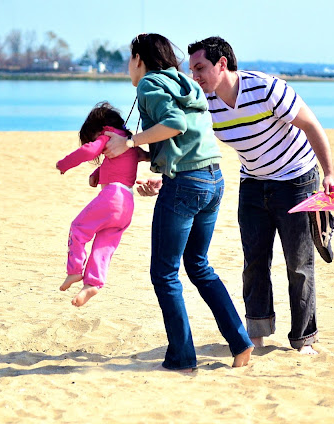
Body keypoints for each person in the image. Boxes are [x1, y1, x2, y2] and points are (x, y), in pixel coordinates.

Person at [104, 33, 254, 371]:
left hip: (187, 184)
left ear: (139, 59)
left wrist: (129, 145)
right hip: (212, 179)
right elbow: (185, 136)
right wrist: (147, 157)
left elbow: (174, 124)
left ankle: (183, 357)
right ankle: (241, 342)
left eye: (130, 59)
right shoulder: (185, 83)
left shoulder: (149, 85)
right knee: (198, 265)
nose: (128, 67)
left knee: (164, 274)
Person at [184, 36, 334, 355]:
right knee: (254, 262)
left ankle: (304, 339)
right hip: (253, 183)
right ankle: (257, 333)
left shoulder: (266, 88)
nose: (194, 76)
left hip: (297, 180)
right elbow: (187, 141)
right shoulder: (205, 102)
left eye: (200, 68)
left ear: (222, 64)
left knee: (298, 263)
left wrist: (329, 174)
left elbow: (311, 125)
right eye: (191, 69)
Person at [56, 101, 145, 307]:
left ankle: (75, 270)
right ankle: (92, 284)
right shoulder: (127, 142)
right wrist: (97, 174)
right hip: (127, 203)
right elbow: (119, 164)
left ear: (100, 129)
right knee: (105, 245)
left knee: (78, 228)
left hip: (112, 195)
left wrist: (64, 164)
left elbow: (87, 152)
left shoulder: (108, 136)